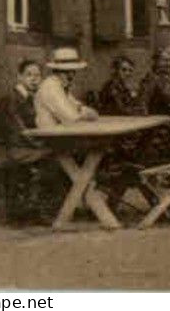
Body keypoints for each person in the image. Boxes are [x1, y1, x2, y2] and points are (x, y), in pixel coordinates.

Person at [34, 47, 120, 228]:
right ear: (58, 71)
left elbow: (78, 106)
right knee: (98, 152)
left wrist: (81, 110)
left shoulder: (61, 86)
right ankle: (94, 205)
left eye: (73, 71)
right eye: (68, 71)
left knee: (103, 151)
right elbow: (70, 117)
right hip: (49, 140)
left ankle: (90, 197)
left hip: (63, 137)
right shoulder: (50, 87)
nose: (71, 75)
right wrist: (82, 112)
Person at [0, 60, 53, 220]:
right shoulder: (11, 99)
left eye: (37, 75)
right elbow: (18, 131)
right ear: (19, 77)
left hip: (19, 145)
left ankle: (34, 204)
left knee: (57, 153)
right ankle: (33, 206)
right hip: (5, 150)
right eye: (28, 75)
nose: (34, 79)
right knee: (54, 155)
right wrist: (41, 144)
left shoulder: (31, 98)